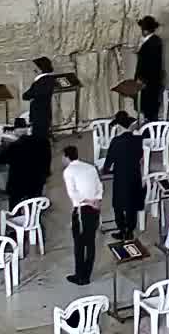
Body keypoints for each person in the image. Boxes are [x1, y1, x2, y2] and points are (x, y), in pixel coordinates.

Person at [62, 145, 103, 285]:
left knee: (79, 244)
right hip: (95, 208)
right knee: (90, 242)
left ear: (66, 157)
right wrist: (96, 201)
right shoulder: (90, 167)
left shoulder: (68, 171)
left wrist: (88, 201)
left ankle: (80, 275)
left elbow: (73, 193)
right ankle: (87, 274)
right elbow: (99, 186)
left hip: (81, 210)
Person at [100, 112, 144, 240]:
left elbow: (109, 162)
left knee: (118, 205)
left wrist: (104, 171)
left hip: (121, 177)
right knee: (132, 205)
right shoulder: (138, 140)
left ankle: (122, 229)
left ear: (118, 126)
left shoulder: (116, 142)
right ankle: (130, 230)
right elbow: (140, 157)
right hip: (135, 175)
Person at [0, 117, 51, 204]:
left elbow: (2, 160)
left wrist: (2, 145)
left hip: (18, 184)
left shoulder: (13, 146)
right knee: (34, 204)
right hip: (37, 182)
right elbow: (47, 162)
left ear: (15, 131)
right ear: (27, 129)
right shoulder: (44, 143)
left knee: (15, 204)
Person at [134, 16, 165, 122]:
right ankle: (152, 124)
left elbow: (147, 63)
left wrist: (141, 79)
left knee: (148, 105)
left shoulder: (150, 43)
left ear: (145, 30)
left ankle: (150, 126)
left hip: (147, 79)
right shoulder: (156, 40)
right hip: (153, 78)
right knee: (151, 104)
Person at [24, 56, 56, 137]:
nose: (33, 70)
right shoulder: (48, 79)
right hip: (44, 112)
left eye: (35, 68)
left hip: (39, 113)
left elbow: (27, 95)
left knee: (39, 135)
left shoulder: (41, 81)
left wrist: (29, 95)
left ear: (40, 69)